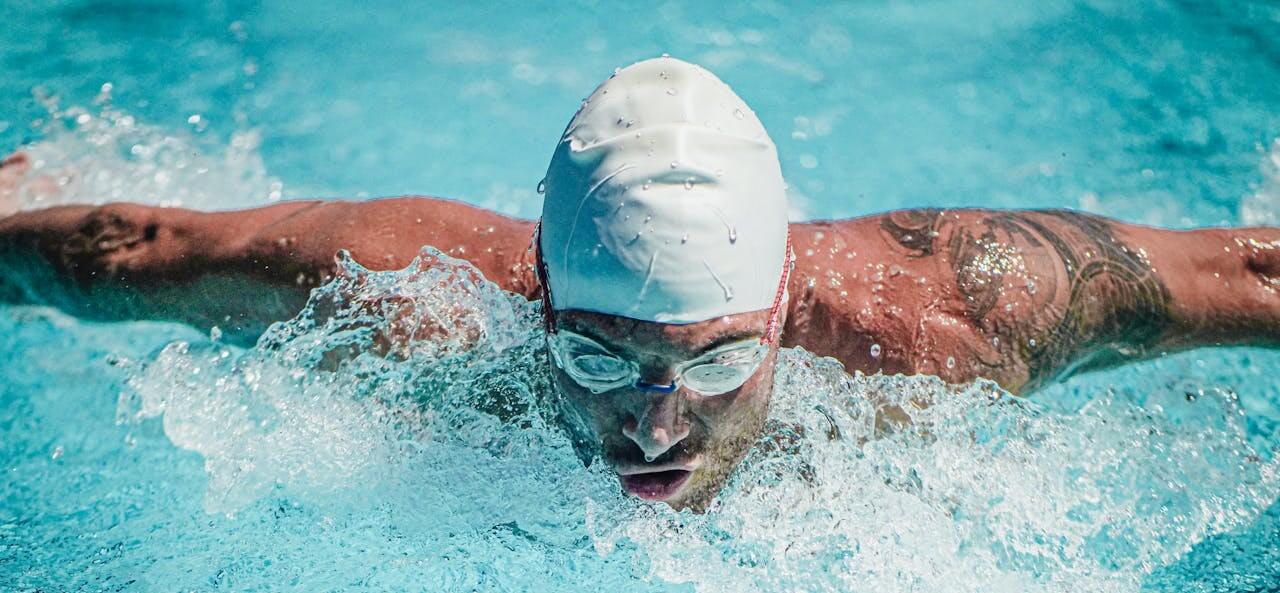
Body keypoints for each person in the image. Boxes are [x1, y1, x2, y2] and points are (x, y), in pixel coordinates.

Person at [1, 57, 1278, 510]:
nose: (655, 427)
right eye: (601, 359)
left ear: (781, 307)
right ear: (541, 305)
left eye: (718, 358)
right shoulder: (418, 296)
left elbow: (1241, 269)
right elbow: (140, 245)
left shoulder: (957, 309)